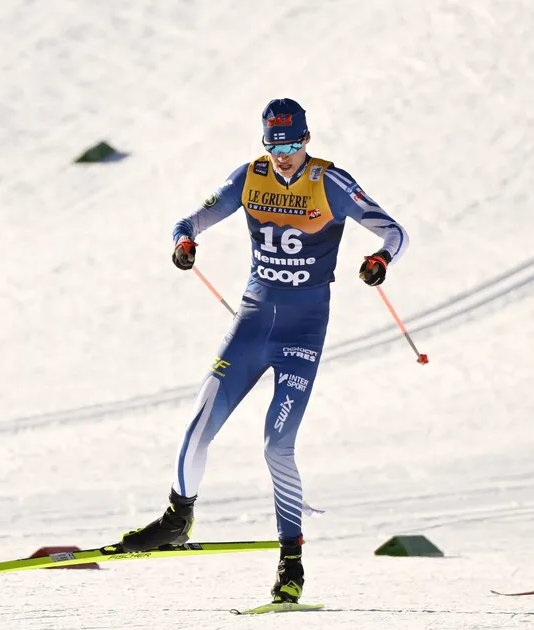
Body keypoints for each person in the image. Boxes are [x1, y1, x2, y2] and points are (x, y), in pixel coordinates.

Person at [120, 98, 409, 604]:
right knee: (199, 422)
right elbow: (188, 221)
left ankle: (291, 560)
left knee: (277, 445)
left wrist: (381, 258)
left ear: (306, 140)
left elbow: (394, 230)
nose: (283, 155)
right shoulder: (249, 178)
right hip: (252, 324)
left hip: (303, 333)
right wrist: (184, 243)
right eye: (274, 146)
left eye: (292, 144)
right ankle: (176, 519)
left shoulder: (329, 182)